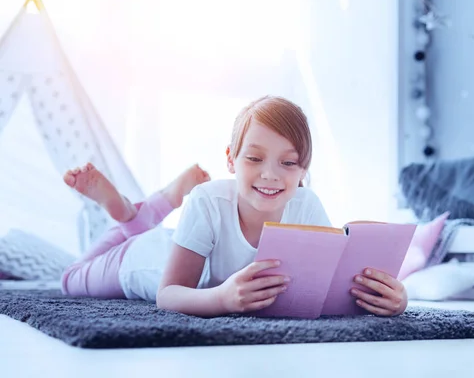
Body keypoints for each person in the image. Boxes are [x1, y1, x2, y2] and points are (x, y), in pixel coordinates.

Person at [61, 95, 408, 317]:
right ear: (231, 159)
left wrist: (394, 299)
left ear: (304, 169)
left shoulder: (306, 205)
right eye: (255, 158)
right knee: (70, 279)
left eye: (288, 164)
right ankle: (137, 212)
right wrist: (222, 300)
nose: (270, 175)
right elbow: (167, 295)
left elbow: (326, 289)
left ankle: (137, 217)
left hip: (182, 241)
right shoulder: (208, 201)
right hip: (143, 260)